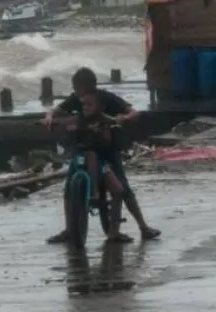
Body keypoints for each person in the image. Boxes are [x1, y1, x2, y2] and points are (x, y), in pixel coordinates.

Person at [41, 67, 161, 243]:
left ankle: (142, 227)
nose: (82, 103)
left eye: (77, 89)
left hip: (107, 151)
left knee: (122, 188)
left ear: (83, 87)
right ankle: (69, 229)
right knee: (68, 189)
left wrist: (124, 119)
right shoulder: (76, 100)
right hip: (84, 149)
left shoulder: (106, 98)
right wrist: (50, 117)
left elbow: (133, 112)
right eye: (82, 104)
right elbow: (56, 111)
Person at [68, 92, 128, 242]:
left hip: (100, 163)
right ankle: (72, 224)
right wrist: (54, 122)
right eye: (83, 105)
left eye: (89, 105)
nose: (85, 108)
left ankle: (114, 231)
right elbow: (63, 122)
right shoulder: (78, 119)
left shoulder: (104, 121)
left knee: (118, 190)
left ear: (100, 107)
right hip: (81, 160)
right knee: (69, 186)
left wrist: (103, 131)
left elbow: (108, 138)